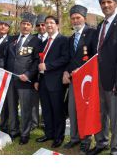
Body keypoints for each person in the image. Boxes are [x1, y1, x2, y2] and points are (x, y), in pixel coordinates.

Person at [87, 0, 117, 155]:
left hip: (114, 81)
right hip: (97, 80)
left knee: (116, 118)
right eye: (103, 3)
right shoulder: (99, 27)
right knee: (99, 114)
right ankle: (101, 142)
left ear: (116, 3)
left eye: (109, 2)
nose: (106, 5)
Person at [62, 5, 97, 153]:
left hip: (87, 80)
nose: (75, 21)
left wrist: (82, 69)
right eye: (73, 18)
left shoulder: (93, 34)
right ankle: (75, 137)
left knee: (85, 111)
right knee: (73, 110)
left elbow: (95, 56)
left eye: (78, 18)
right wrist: (65, 71)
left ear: (84, 18)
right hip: (73, 80)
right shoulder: (71, 39)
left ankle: (86, 139)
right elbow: (69, 59)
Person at [4, 12, 41, 145]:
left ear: (31, 27)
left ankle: (25, 133)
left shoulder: (36, 41)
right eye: (24, 23)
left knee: (25, 108)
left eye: (28, 24)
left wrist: (29, 74)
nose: (25, 26)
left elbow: (37, 61)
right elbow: (6, 57)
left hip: (25, 80)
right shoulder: (11, 39)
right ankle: (14, 131)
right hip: (10, 79)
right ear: (20, 24)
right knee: (12, 106)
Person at [36, 15, 69, 148]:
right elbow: (40, 62)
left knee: (57, 110)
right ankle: (48, 133)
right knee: (46, 110)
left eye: (51, 23)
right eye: (46, 23)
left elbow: (65, 58)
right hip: (43, 81)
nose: (48, 25)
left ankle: (58, 137)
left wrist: (48, 66)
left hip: (56, 81)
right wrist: (38, 79)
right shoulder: (44, 43)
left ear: (57, 25)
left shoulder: (63, 40)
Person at [31, 14, 48, 130]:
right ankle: (34, 122)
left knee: (46, 100)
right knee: (34, 100)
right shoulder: (32, 39)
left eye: (43, 24)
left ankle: (45, 122)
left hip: (48, 74)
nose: (41, 27)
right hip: (33, 73)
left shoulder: (52, 38)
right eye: (38, 25)